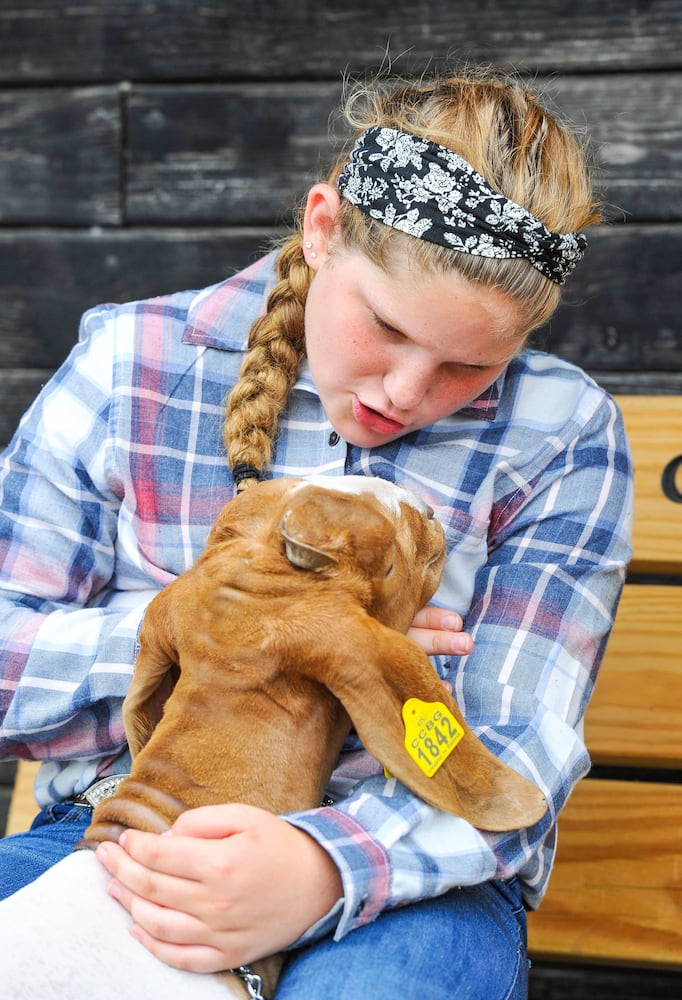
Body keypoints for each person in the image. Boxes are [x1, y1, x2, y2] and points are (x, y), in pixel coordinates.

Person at [0, 64, 632, 999]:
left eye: (468, 368)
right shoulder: (130, 363)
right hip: (123, 825)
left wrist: (320, 868)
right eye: (384, 326)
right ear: (323, 228)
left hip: (413, 874)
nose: (405, 395)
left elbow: (519, 752)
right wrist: (210, 629)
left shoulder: (561, 430)